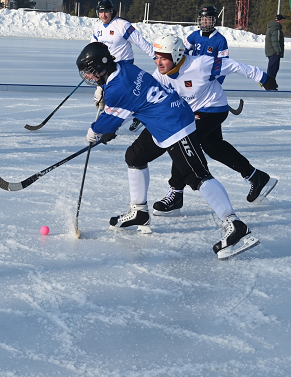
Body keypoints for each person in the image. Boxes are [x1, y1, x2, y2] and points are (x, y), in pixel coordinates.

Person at [76, 41, 259, 258]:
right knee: (134, 156)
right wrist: (103, 90)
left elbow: (109, 122)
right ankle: (139, 212)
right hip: (160, 120)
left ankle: (235, 225)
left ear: (102, 66)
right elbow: (127, 101)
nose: (87, 76)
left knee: (196, 176)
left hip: (174, 125)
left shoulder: (117, 90)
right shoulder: (124, 67)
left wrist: (95, 131)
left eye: (90, 72)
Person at [148, 34, 277, 215]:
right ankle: (256, 177)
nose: (158, 62)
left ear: (176, 55)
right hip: (193, 111)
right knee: (214, 147)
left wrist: (262, 77)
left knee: (182, 141)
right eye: (156, 57)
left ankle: (176, 192)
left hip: (214, 109)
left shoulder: (201, 64)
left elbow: (232, 65)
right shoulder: (160, 75)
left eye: (163, 58)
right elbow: (149, 96)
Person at [91, 0, 155, 118]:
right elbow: (93, 48)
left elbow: (140, 41)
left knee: (117, 96)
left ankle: (118, 120)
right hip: (106, 67)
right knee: (100, 98)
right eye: (101, 12)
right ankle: (106, 119)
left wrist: (154, 56)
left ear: (111, 11)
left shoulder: (122, 25)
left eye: (106, 12)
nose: (103, 15)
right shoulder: (98, 27)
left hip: (123, 66)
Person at [265, 14, 286, 86]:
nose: (282, 22)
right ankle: (269, 83)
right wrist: (278, 51)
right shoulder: (276, 29)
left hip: (271, 51)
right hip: (274, 52)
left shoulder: (271, 27)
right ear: (280, 21)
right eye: (282, 20)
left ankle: (271, 82)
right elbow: (275, 41)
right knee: (273, 68)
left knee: (272, 67)